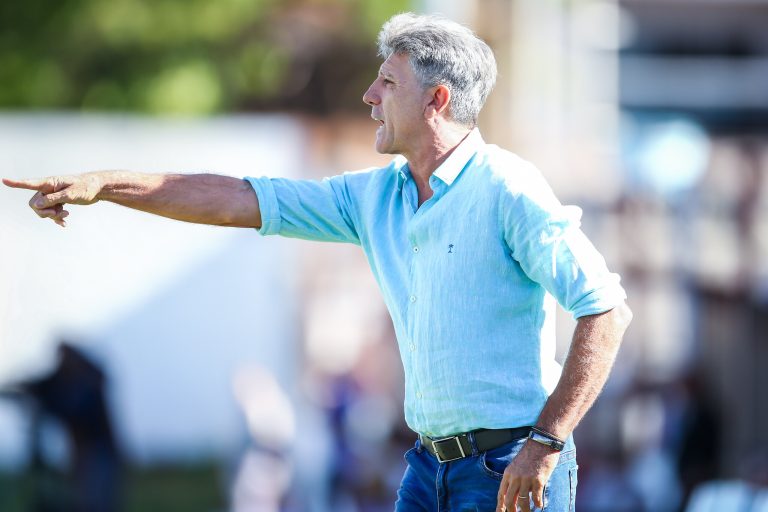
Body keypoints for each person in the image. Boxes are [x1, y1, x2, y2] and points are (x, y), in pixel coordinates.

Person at [4, 13, 632, 512]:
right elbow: (236, 197)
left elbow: (605, 311)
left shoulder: (508, 190)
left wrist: (546, 445)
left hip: (511, 467)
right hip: (427, 467)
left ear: (437, 98)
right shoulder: (375, 194)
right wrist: (104, 184)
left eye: (388, 82)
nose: (368, 95)